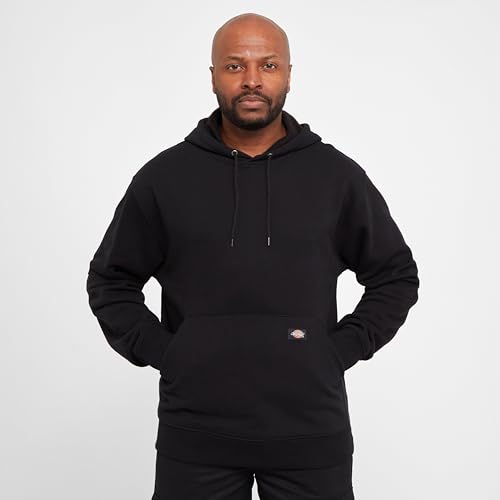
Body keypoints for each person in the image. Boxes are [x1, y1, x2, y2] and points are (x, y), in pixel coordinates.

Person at [86, 12, 420, 500]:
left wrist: (337, 350)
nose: (252, 80)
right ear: (213, 77)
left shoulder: (336, 176)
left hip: (310, 430)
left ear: (288, 74)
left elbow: (395, 275)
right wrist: (169, 353)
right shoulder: (165, 178)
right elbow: (110, 281)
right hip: (195, 434)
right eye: (234, 66)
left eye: (268, 65)